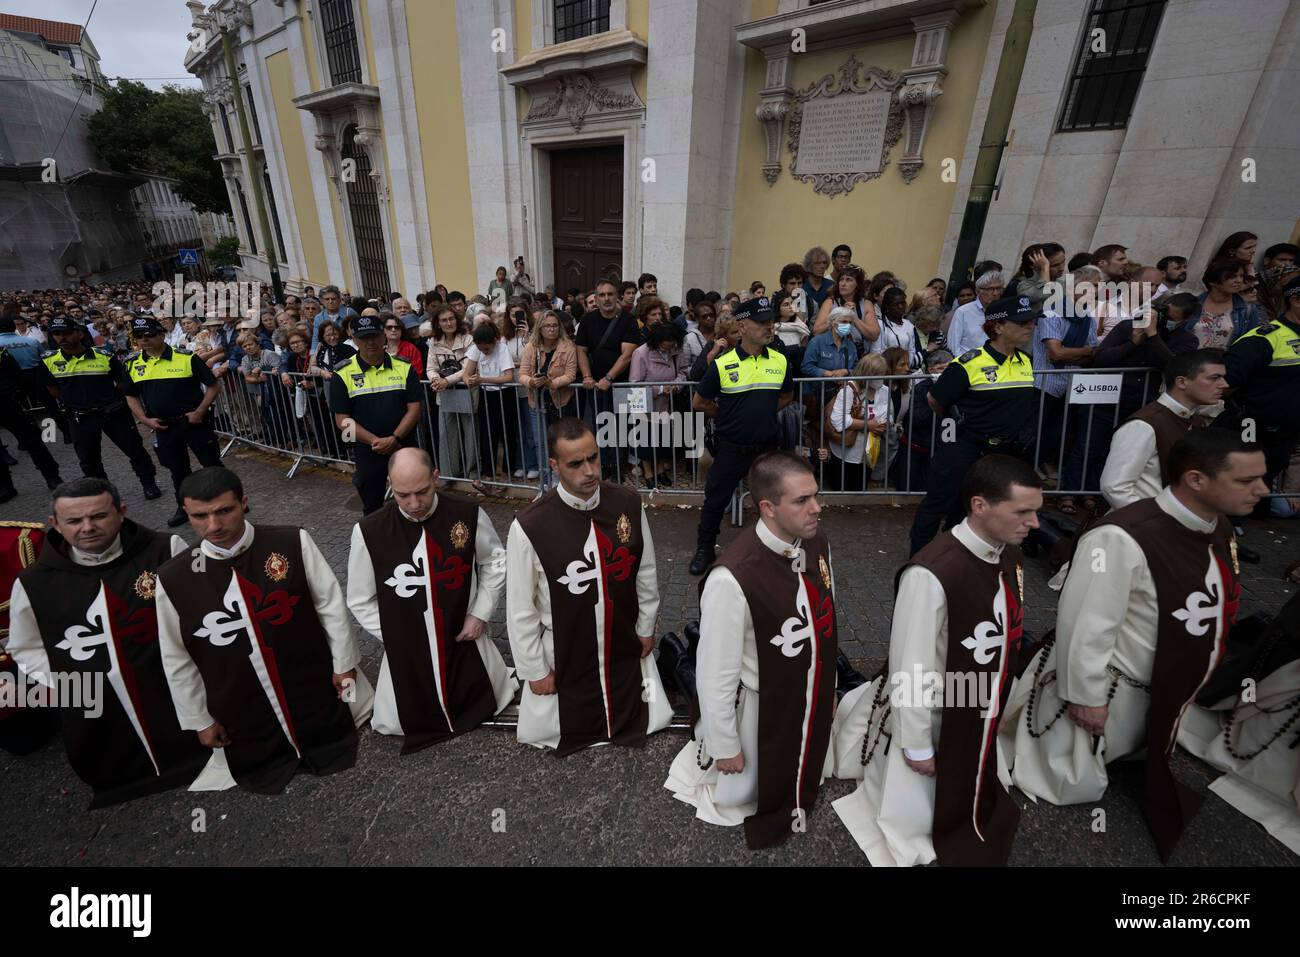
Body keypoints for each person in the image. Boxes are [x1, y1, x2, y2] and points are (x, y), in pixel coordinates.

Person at [1002, 430, 1267, 861]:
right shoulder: (1119, 538)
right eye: (1246, 480)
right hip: (1114, 687)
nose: (1263, 490)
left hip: (1162, 682)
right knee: (1074, 779)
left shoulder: (1215, 524)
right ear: (1196, 480)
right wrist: (1085, 696)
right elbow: (1086, 623)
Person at [833, 455, 1040, 865]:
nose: (1034, 523)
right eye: (1023, 511)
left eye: (1036, 511)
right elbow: (911, 666)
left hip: (978, 702)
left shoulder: (1006, 553)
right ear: (979, 506)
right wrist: (916, 744)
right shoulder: (931, 573)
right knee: (924, 817)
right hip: (945, 710)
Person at [5, 478, 229, 806]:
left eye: (98, 516)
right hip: (97, 699)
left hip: (169, 681)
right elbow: (24, 646)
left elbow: (203, 611)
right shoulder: (34, 583)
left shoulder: (166, 550)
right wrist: (69, 682)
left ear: (121, 512)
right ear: (54, 524)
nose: (87, 528)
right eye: (74, 520)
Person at [155, 467, 372, 794]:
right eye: (200, 516)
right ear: (186, 513)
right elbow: (175, 655)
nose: (213, 526)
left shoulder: (290, 541)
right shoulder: (174, 578)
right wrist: (199, 719)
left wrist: (344, 665)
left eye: (224, 511)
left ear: (244, 502)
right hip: (239, 703)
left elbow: (330, 605)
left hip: (310, 681)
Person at [665, 452, 839, 849]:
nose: (817, 509)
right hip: (761, 708)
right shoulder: (731, 578)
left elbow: (826, 624)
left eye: (816, 495)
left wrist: (826, 688)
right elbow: (716, 672)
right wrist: (725, 745)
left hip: (805, 693)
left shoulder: (817, 541)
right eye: (801, 501)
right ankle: (674, 657)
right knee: (749, 789)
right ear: (768, 508)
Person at [504, 418, 670, 754]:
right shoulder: (529, 526)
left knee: (648, 715)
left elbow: (645, 570)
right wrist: (534, 669)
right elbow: (521, 606)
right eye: (576, 463)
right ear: (554, 465)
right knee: (556, 728)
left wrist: (646, 625)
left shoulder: (627, 503)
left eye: (593, 457)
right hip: (564, 650)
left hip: (624, 641)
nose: (590, 470)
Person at [346, 449, 515, 753]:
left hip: (463, 636)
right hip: (408, 652)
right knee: (399, 720)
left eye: (422, 491)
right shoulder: (369, 532)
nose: (414, 504)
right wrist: (396, 635)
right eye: (402, 495)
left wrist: (480, 613)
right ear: (389, 484)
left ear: (436, 477)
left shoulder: (467, 513)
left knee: (491, 698)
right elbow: (359, 598)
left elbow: (495, 561)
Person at [908, 296, 1038, 555]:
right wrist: (961, 428)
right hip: (962, 446)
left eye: (1032, 322)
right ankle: (920, 559)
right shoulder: (969, 363)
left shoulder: (1025, 361)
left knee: (968, 507)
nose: (1030, 327)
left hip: (1000, 453)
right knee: (939, 503)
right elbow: (935, 400)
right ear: (998, 327)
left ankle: (951, 554)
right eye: (1022, 322)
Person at [691, 297, 796, 575]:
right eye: (761, 323)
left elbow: (787, 395)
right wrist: (726, 416)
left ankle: (775, 551)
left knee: (771, 503)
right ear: (742, 326)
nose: (768, 327)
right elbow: (699, 402)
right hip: (731, 447)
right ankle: (704, 549)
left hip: (765, 448)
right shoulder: (724, 363)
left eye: (770, 322)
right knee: (715, 501)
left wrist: (760, 413)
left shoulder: (780, 360)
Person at [38, 316, 161, 499]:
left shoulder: (104, 355)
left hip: (113, 413)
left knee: (135, 450)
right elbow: (53, 390)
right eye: (56, 334)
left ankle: (149, 483)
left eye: (67, 333)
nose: (61, 337)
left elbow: (122, 383)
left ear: (79, 333)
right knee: (89, 461)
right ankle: (102, 493)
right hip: (80, 418)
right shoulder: (48, 360)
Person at [123, 314, 221, 527]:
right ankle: (184, 507)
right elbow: (130, 395)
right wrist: (144, 419)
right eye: (138, 336)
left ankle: (228, 500)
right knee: (178, 470)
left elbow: (213, 386)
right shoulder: (132, 364)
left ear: (161, 334)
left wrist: (200, 412)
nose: (144, 340)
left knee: (211, 464)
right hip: (164, 426)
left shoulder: (186, 357)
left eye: (149, 334)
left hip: (194, 422)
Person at [1100, 350, 1227, 508]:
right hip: (1144, 527)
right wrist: (1158, 521)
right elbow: (1115, 488)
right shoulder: (1143, 425)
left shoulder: (1195, 421)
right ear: (1181, 382)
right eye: (1214, 378)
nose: (1224, 385)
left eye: (1223, 377)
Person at [328, 313, 423, 515]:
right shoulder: (342, 374)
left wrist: (394, 438)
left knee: (414, 503)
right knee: (372, 509)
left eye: (374, 336)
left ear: (383, 336)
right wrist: (376, 442)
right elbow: (342, 420)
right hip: (367, 451)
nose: (370, 342)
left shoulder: (404, 368)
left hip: (403, 445)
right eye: (363, 338)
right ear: (354, 339)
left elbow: (414, 409)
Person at [1221, 275, 1300, 506]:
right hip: (1251, 427)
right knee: (1234, 479)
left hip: (1287, 434)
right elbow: (1225, 379)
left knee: (1259, 486)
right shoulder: (1266, 337)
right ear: (1296, 300)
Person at [574, 278, 640, 480]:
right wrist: (587, 376)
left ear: (617, 296)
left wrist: (609, 378)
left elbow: (627, 354)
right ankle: (604, 466)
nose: (606, 299)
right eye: (601, 295)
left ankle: (618, 468)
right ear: (596, 297)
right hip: (594, 385)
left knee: (620, 426)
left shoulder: (628, 320)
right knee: (598, 426)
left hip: (620, 384)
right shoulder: (587, 320)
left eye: (610, 294)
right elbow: (581, 351)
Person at [519, 309, 578, 478]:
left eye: (554, 326)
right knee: (541, 444)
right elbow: (522, 374)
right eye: (547, 326)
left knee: (561, 443)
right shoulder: (531, 347)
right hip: (536, 402)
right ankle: (545, 485)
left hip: (561, 403)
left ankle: (563, 480)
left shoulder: (567, 347)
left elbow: (571, 374)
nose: (551, 329)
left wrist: (552, 383)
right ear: (540, 328)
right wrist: (531, 382)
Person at [427, 304, 479, 484]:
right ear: (438, 323)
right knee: (446, 434)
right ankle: (449, 475)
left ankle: (472, 473)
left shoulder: (468, 340)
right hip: (445, 394)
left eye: (451, 318)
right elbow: (430, 368)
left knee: (470, 433)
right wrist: (435, 379)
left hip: (466, 391)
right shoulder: (434, 343)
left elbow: (468, 368)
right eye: (444, 320)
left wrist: (446, 381)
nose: (448, 323)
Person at [462, 321, 517, 485]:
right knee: (487, 434)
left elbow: (508, 377)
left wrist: (483, 379)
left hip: (504, 394)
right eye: (480, 349)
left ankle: (507, 472)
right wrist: (469, 380)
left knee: (507, 434)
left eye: (486, 349)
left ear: (494, 341)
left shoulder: (502, 349)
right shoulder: (475, 349)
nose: (483, 352)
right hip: (486, 394)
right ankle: (488, 472)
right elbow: (466, 373)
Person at [945, 270, 1005, 357]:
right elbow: (953, 345)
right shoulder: (963, 311)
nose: (995, 293)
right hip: (966, 364)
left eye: (998, 288)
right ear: (978, 291)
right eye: (990, 289)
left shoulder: (1003, 312)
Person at [802, 247, 835, 314]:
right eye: (817, 263)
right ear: (809, 265)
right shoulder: (801, 285)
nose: (822, 266)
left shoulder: (831, 285)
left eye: (824, 263)